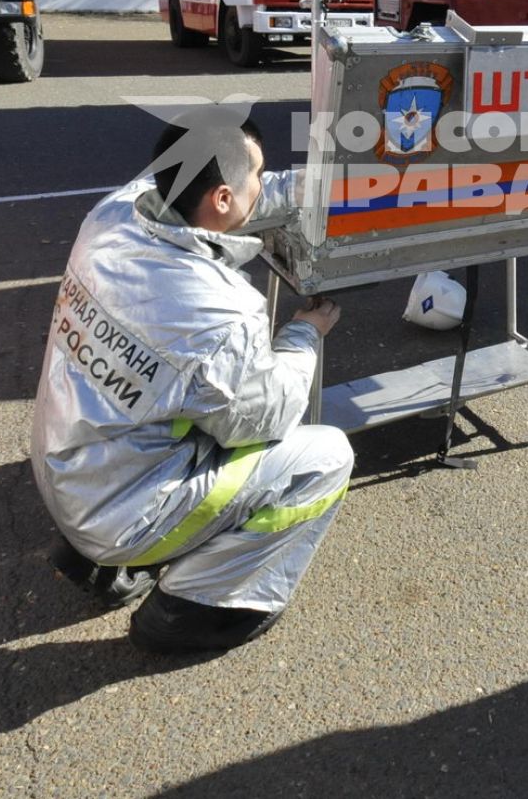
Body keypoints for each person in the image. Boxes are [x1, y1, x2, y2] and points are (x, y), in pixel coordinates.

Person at [31, 115, 351, 653]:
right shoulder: (217, 313)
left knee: (184, 408)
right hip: (120, 509)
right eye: (258, 174)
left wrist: (329, 185)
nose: (263, 182)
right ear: (223, 197)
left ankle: (104, 563)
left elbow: (238, 194)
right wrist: (303, 334)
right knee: (323, 457)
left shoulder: (115, 213)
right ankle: (195, 607)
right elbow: (271, 414)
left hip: (66, 463)